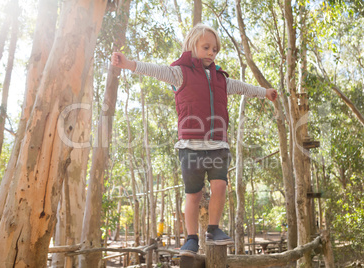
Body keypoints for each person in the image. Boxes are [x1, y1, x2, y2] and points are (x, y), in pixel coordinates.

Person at [111, 23, 277, 257]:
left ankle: (213, 229)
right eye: (206, 47)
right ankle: (191, 239)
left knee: (220, 185)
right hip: (190, 146)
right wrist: (128, 64)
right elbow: (154, 70)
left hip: (218, 145)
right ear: (193, 46)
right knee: (194, 194)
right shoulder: (181, 73)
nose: (211, 52)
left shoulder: (221, 79)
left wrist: (265, 92)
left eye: (215, 49)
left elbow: (242, 87)